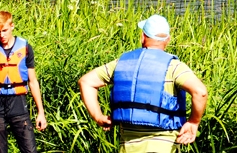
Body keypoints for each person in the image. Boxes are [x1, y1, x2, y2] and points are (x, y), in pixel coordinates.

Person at [78, 14, 208, 153]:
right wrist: (193, 122)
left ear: (142, 37)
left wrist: (98, 117)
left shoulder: (122, 63)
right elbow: (200, 92)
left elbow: (86, 81)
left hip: (128, 147)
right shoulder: (175, 67)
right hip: (165, 146)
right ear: (168, 40)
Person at [0, 11, 47, 153]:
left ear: (12, 26)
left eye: (4, 30)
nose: (1, 35)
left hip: (18, 103)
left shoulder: (25, 48)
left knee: (30, 150)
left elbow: (33, 82)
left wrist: (41, 112)